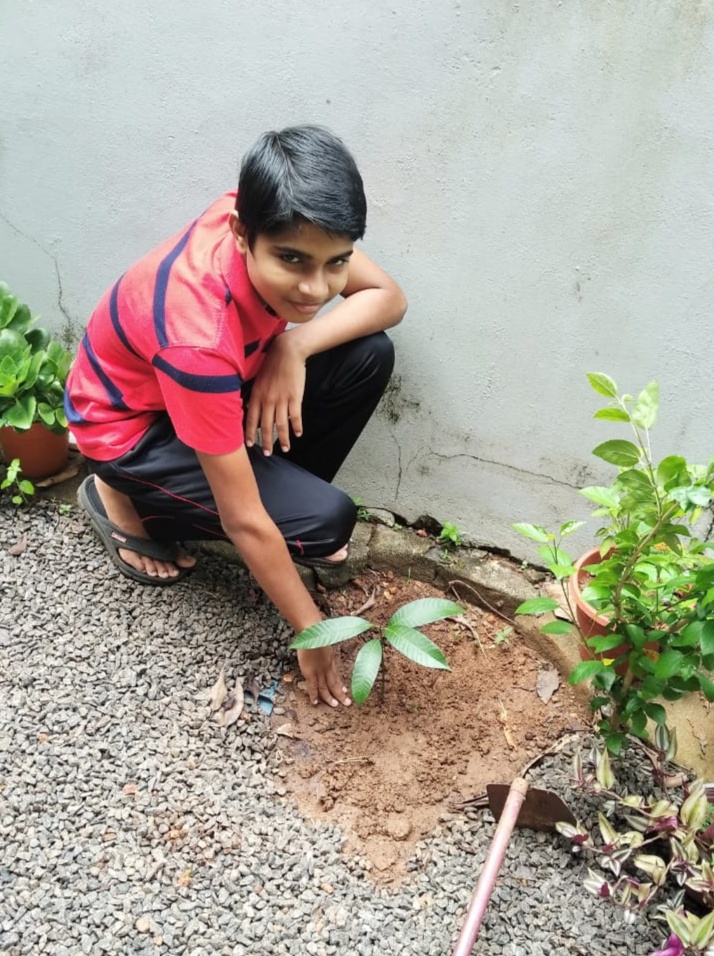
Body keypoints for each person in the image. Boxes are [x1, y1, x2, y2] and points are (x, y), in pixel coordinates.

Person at [65, 125, 406, 709]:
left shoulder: (265, 206)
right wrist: (312, 630)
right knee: (327, 522)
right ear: (241, 234)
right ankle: (122, 497)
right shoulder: (198, 338)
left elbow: (389, 299)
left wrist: (292, 346)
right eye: (292, 260)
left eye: (336, 262)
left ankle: (265, 498)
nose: (315, 288)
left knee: (366, 353)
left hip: (204, 394)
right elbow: (243, 521)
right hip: (130, 431)